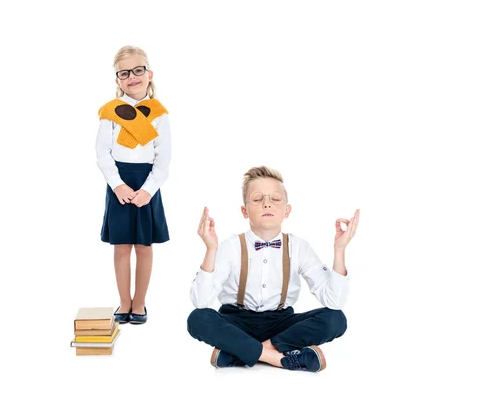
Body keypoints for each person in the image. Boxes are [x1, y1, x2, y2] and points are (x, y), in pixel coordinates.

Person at [187, 166, 360, 371]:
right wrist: (211, 248)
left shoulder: (299, 247)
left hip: (281, 323)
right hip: (236, 322)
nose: (267, 203)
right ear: (244, 210)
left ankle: (242, 353)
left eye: (275, 199)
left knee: (336, 319)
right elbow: (201, 301)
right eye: (258, 198)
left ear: (287, 210)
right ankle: (280, 359)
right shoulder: (230, 246)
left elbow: (335, 301)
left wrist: (339, 250)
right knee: (197, 319)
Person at [95, 45, 171, 325]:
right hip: (120, 183)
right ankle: (124, 302)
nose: (132, 77)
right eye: (124, 73)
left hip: (146, 184)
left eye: (138, 70)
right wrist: (118, 185)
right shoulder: (110, 111)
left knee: (144, 246)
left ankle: (139, 303)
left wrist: (148, 191)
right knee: (121, 246)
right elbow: (103, 154)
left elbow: (164, 159)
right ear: (118, 80)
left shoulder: (159, 113)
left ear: (149, 74)